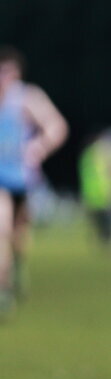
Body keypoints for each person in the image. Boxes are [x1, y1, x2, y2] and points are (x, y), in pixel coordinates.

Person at [0, 46, 68, 310]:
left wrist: (39, 147)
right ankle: (3, 288)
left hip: (22, 176)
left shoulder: (27, 98)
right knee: (2, 229)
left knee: (18, 235)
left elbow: (57, 126)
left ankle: (17, 267)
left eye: (8, 72)